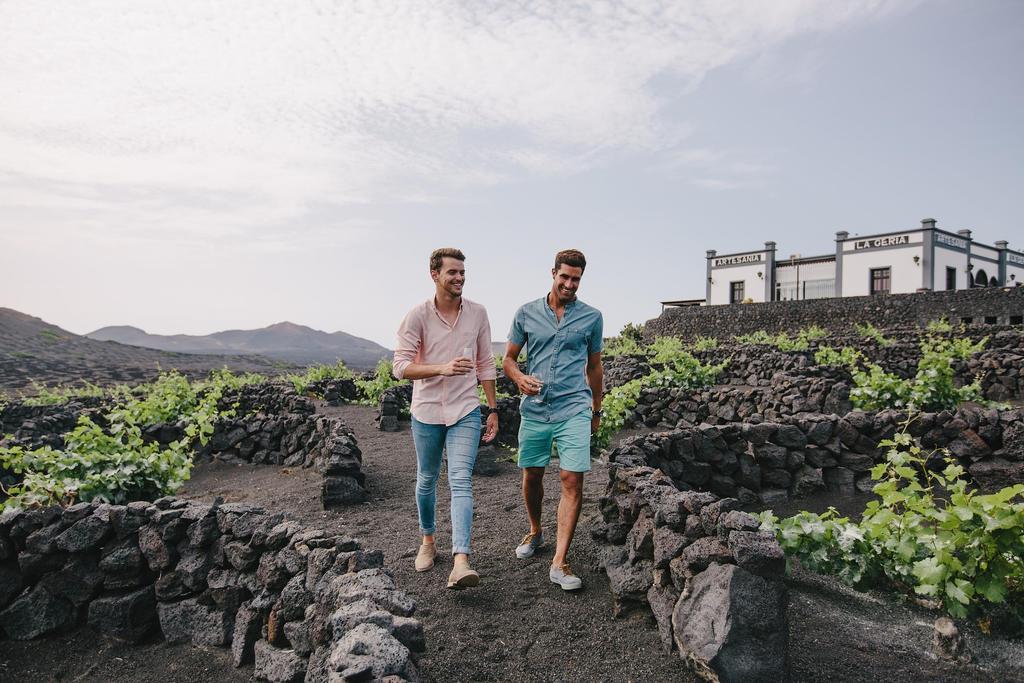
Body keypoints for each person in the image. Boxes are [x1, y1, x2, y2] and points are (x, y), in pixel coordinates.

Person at [393, 248, 499, 589]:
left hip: (465, 408)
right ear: (434, 275)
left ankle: (461, 560)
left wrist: (493, 408)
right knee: (426, 479)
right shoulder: (417, 316)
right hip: (425, 412)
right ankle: (428, 541)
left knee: (461, 480)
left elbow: (485, 363)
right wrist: (441, 367)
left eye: (462, 272)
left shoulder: (478, 313)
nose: (459, 278)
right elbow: (400, 367)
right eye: (452, 272)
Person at [502, 249, 603, 591]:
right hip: (535, 408)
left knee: (571, 479)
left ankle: (560, 561)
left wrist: (597, 409)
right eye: (565, 277)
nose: (570, 284)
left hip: (574, 405)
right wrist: (518, 379)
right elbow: (509, 359)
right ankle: (535, 530)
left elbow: (594, 367)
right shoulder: (526, 313)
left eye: (576, 279)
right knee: (532, 474)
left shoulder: (592, 318)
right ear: (553, 273)